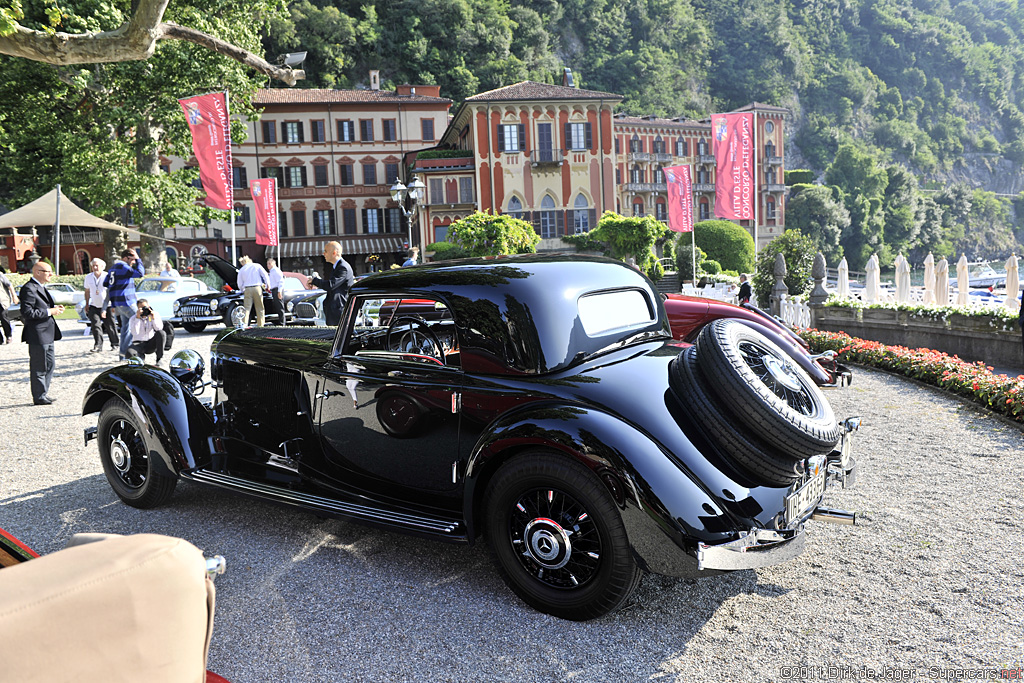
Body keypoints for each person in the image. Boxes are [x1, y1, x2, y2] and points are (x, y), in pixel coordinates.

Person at [20, 262, 64, 405]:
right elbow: (27, 313)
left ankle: (43, 392)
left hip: (47, 332)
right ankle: (38, 396)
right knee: (39, 366)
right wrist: (49, 312)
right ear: (38, 272)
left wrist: (54, 309)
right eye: (48, 271)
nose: (51, 274)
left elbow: (42, 307)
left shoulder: (40, 287)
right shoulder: (29, 288)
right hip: (37, 333)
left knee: (50, 364)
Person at [104, 248, 145, 360]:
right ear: (127, 258)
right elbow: (140, 273)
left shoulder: (112, 268)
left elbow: (106, 283)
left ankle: (122, 355)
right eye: (132, 260)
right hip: (127, 302)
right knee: (139, 324)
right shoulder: (123, 266)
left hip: (117, 303)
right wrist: (138, 259)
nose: (133, 262)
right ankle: (135, 354)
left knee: (125, 329)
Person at [309, 241, 354, 327]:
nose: (323, 253)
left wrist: (314, 281)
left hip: (340, 311)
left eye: (326, 251)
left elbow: (330, 285)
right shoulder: (337, 266)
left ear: (334, 253)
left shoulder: (343, 267)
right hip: (336, 310)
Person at [83, 258, 118, 353]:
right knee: (95, 325)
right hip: (94, 305)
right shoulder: (88, 277)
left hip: (107, 306)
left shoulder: (108, 276)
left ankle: (115, 343)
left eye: (96, 265)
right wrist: (87, 303)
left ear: (102, 266)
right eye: (93, 265)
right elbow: (87, 291)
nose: (94, 267)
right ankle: (98, 345)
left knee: (110, 325)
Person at [126, 299, 166, 365]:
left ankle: (159, 359)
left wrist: (153, 318)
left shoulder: (155, 315)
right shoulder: (133, 318)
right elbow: (135, 333)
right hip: (138, 343)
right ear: (138, 309)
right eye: (141, 308)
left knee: (161, 333)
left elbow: (159, 328)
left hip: (150, 343)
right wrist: (138, 318)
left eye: (145, 307)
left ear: (149, 306)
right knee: (129, 353)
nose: (143, 309)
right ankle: (140, 358)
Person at [236, 255, 269, 327]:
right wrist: (267, 285)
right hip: (257, 287)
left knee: (247, 308)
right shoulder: (257, 266)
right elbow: (265, 275)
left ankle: (244, 325)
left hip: (247, 288)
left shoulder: (241, 270)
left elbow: (239, 283)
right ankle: (261, 325)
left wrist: (242, 290)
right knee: (260, 307)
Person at [0, 266, 17, 344]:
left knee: (4, 318)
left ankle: (8, 335)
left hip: (2, 301)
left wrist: (14, 296)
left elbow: (9, 285)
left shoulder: (0, 275)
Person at [266, 257, 285, 325]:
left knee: (280, 307)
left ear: (274, 263)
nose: (268, 265)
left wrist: (279, 292)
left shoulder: (276, 271)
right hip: (274, 290)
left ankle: (282, 323)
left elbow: (281, 282)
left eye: (269, 264)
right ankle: (280, 322)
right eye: (267, 264)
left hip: (277, 289)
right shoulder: (271, 271)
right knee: (277, 307)